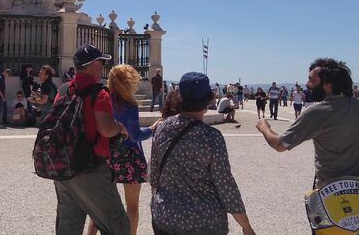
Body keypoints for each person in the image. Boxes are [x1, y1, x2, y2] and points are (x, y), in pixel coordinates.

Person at [255, 58, 359, 203]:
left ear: (328, 84)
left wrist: (264, 127)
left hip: (332, 192)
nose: (308, 84)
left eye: (312, 80)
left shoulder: (317, 112)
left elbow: (279, 144)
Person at [149, 72, 255, 235]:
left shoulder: (162, 128)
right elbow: (225, 185)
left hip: (165, 218)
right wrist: (245, 226)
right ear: (208, 100)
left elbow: (154, 177)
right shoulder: (211, 137)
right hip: (204, 222)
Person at [52, 45, 130, 235]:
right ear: (93, 65)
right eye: (102, 62)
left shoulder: (63, 90)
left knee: (68, 226)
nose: (103, 67)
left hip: (63, 166)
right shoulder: (99, 92)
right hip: (90, 167)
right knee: (117, 225)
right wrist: (120, 128)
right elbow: (106, 129)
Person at [88, 64, 157, 235]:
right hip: (130, 158)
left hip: (106, 156)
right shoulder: (129, 105)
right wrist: (152, 129)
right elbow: (135, 136)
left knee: (99, 206)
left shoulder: (102, 100)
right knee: (132, 206)